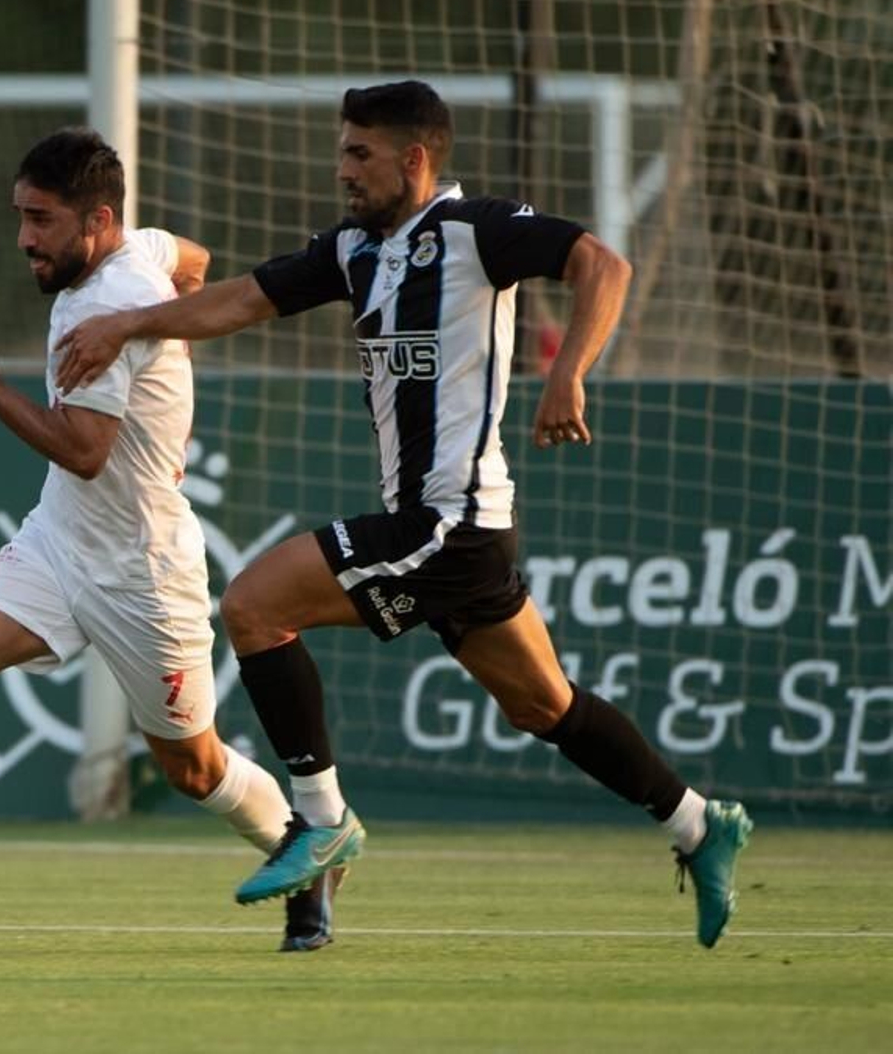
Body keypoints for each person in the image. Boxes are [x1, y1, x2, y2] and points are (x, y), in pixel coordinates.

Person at [52, 81, 753, 949]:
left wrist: (569, 372)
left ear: (413, 158)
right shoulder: (355, 249)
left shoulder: (475, 231)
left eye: (360, 153)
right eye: (341, 150)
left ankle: (321, 818)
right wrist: (131, 323)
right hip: (461, 535)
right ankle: (699, 824)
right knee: (545, 705)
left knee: (254, 605)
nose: (343, 169)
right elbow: (238, 300)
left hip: (448, 523)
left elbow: (604, 265)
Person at [0, 128, 344, 952]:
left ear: (96, 220)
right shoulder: (138, 250)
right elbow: (192, 257)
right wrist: (171, 348)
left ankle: (310, 855)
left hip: (143, 570)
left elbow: (84, 452)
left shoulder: (101, 310)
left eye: (41, 219)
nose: (25, 238)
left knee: (193, 768)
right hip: (61, 539)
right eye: (22, 216)